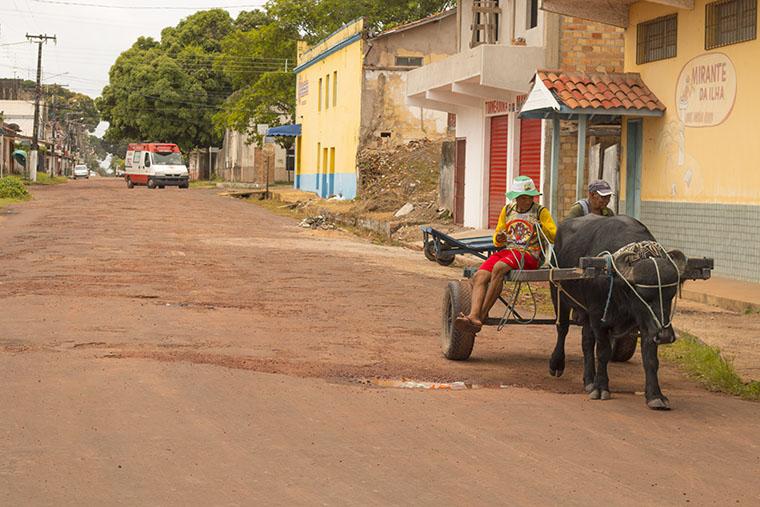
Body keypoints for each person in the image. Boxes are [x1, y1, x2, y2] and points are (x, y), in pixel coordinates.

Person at [454, 176, 557, 334]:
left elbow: (554, 236)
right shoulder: (507, 210)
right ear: (515, 198)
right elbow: (498, 239)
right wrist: (499, 238)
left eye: (530, 197)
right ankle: (473, 314)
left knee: (499, 267)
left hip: (530, 254)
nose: (527, 200)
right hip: (509, 251)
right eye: (523, 197)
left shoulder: (541, 212)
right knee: (479, 275)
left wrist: (542, 227)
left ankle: (479, 317)